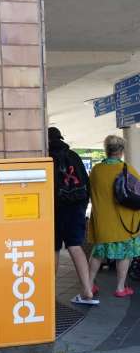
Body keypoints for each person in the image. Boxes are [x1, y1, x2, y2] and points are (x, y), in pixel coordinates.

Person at [48, 127, 99, 305]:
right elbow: (86, 184)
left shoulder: (47, 157)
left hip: (55, 208)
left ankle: (50, 295)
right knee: (75, 246)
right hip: (76, 208)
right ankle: (87, 291)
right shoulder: (74, 156)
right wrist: (81, 208)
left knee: (53, 249)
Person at [88, 134, 140, 297]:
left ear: (106, 150)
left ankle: (89, 285)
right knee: (124, 254)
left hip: (102, 222)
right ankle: (120, 288)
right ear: (121, 151)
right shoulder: (127, 169)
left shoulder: (96, 170)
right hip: (124, 222)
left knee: (97, 254)